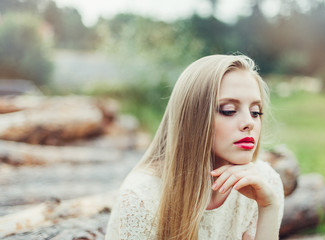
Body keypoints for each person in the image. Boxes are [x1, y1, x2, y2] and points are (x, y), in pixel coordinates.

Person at [105, 54, 284, 240]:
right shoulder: (143, 196)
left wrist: (268, 207)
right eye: (229, 110)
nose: (249, 122)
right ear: (193, 119)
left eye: (256, 112)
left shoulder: (265, 183)